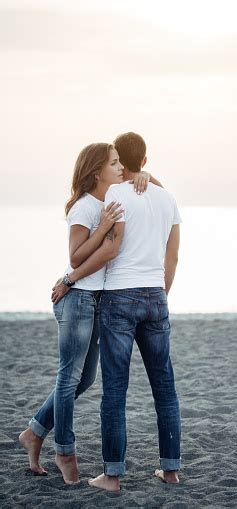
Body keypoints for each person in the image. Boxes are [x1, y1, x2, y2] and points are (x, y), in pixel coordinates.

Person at [52, 132, 181, 492]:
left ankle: (111, 476)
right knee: (165, 388)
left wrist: (71, 276)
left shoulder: (116, 193)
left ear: (120, 164)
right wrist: (161, 295)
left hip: (119, 299)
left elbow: (113, 244)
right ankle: (170, 470)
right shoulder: (167, 198)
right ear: (146, 158)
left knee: (115, 391)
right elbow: (172, 257)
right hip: (156, 295)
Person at [19, 142, 153, 484]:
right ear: (97, 172)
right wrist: (99, 230)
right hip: (77, 297)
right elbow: (77, 257)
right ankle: (64, 451)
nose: (121, 167)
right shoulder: (84, 208)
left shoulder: (108, 200)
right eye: (114, 163)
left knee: (84, 379)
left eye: (122, 162)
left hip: (94, 299)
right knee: (68, 378)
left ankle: (35, 432)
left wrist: (147, 175)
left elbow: (150, 186)